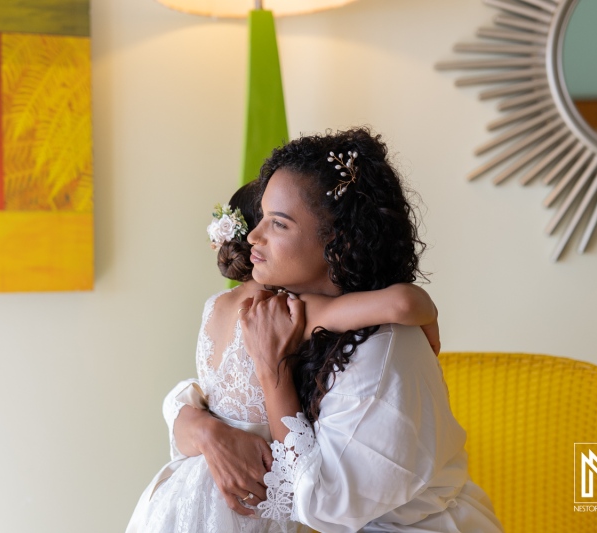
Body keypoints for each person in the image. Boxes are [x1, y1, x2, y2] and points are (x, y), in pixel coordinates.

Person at [176, 128, 504, 532]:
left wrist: (272, 371)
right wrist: (204, 430)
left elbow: (320, 502)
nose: (255, 235)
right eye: (260, 217)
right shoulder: (284, 315)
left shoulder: (378, 345)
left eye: (278, 224)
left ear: (338, 242)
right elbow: (206, 395)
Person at [126, 180, 442, 533]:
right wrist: (429, 314)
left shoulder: (214, 307)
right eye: (274, 221)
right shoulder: (285, 310)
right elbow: (401, 303)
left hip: (184, 492)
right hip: (248, 499)